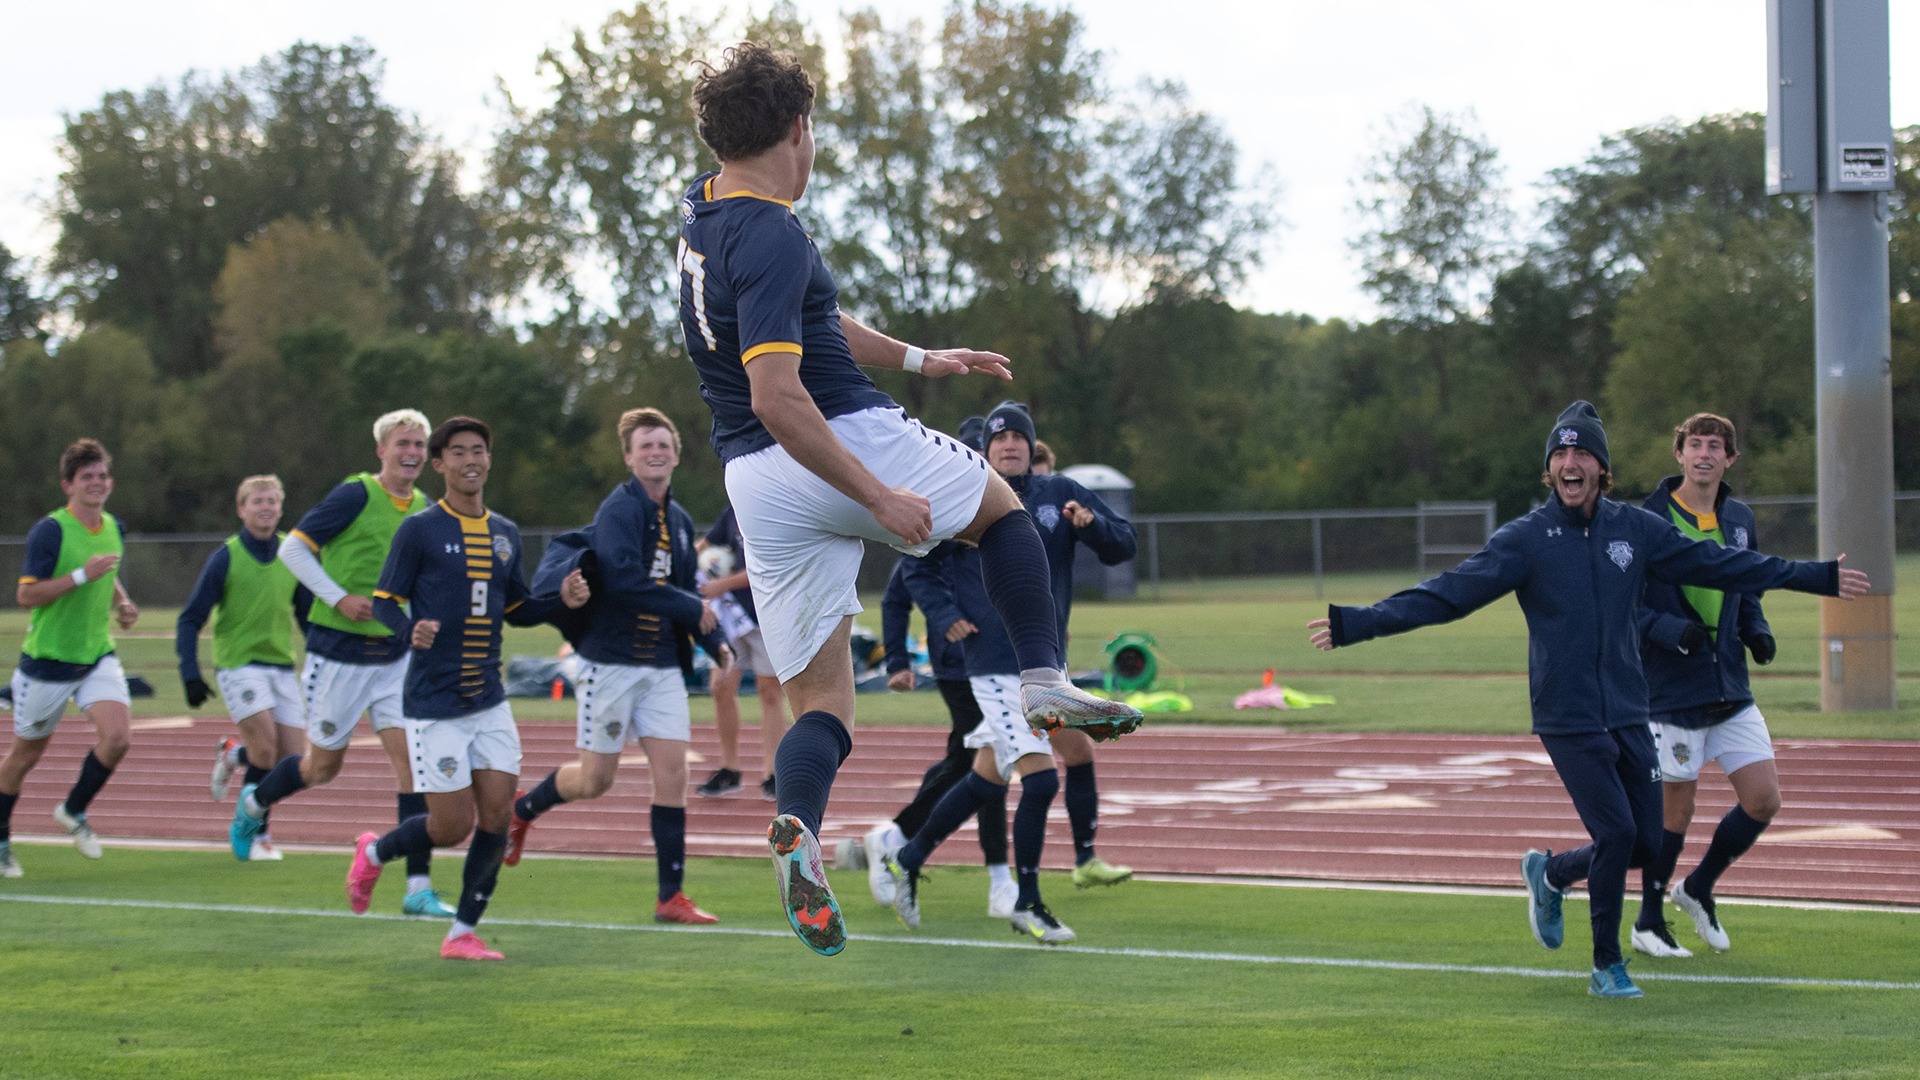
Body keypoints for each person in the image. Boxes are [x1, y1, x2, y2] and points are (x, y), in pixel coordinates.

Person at [679, 42, 1143, 955]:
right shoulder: (772, 230)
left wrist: (923, 359)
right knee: (1004, 511)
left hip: (754, 482)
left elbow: (811, 318)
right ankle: (1044, 680)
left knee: (824, 704)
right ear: (799, 129)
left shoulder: (704, 209)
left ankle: (801, 827)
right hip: (832, 436)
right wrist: (879, 497)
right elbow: (779, 393)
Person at [1307, 400, 1869, 999]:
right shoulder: (1526, 539)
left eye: (1582, 453)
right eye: (1560, 453)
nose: (1570, 463)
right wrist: (1358, 623)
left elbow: (1722, 563)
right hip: (1568, 715)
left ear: (1601, 467)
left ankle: (1551, 873)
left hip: (1629, 708)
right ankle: (1607, 965)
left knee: (1646, 844)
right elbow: (1447, 595)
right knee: (1619, 833)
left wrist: (1815, 577)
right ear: (1550, 469)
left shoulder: (1636, 529)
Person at [881, 402, 1139, 945]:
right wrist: (945, 615)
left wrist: (1093, 526)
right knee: (1040, 778)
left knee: (990, 775)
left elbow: (1124, 545)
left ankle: (907, 857)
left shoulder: (1059, 493)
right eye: (999, 438)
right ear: (986, 448)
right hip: (993, 663)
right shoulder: (966, 495)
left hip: (1046, 660)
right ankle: (1028, 902)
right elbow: (913, 567)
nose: (1009, 444)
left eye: (1019, 436)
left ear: (1031, 445)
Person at [346, 416, 590, 960]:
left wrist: (562, 602)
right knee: (450, 826)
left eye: (478, 450)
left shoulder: (505, 533)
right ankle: (375, 852)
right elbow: (384, 602)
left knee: (499, 817)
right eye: (457, 452)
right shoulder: (420, 530)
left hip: (489, 699)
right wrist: (409, 630)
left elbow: (518, 607)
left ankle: (461, 932)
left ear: (489, 459)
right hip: (434, 703)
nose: (470, 460)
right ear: (439, 464)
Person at [500, 408, 731, 926]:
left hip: (662, 668)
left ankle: (670, 896)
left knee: (673, 774)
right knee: (594, 780)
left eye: (663, 444)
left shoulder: (680, 520)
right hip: (611, 664)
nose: (655, 452)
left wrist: (716, 644)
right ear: (629, 457)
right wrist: (692, 608)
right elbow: (626, 583)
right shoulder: (619, 511)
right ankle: (522, 809)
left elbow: (687, 594)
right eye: (645, 446)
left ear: (676, 454)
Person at [230, 410, 454, 916]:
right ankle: (253, 804)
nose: (412, 453)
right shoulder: (355, 495)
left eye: (419, 444)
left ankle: (417, 888)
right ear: (381, 450)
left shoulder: (425, 508)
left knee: (415, 768)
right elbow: (293, 550)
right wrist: (336, 598)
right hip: (338, 657)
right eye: (403, 443)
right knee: (321, 767)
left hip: (395, 659)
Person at [1630, 413, 1784, 959]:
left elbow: (1749, 585)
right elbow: (1627, 607)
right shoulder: (1647, 519)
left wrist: (1757, 630)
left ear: (1729, 459)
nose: (1704, 454)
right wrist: (1673, 632)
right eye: (1694, 444)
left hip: (1730, 686)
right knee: (1676, 813)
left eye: (1715, 446)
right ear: (1679, 454)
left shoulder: (1739, 518)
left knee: (1763, 800)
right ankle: (1648, 922)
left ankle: (1697, 887)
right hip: (1672, 691)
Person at [1, 439, 139, 877]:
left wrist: (122, 602)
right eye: (87, 477)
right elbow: (26, 595)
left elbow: (107, 573)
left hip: (96, 655)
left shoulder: (113, 526)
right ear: (68, 485)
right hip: (48, 663)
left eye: (102, 476)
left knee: (118, 738)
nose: (97, 483)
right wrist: (82, 575)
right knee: (25, 757)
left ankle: (73, 810)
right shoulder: (51, 531)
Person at [176, 475, 313, 861]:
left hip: (281, 665)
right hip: (238, 664)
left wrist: (326, 660)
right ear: (242, 509)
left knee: (296, 763)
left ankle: (235, 755)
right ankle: (255, 834)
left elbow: (307, 618)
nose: (266, 507)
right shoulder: (226, 556)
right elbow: (191, 618)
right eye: (257, 501)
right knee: (266, 751)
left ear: (281, 508)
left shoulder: (292, 553)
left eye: (272, 501)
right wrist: (190, 671)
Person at [692, 501, 789, 800]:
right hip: (732, 617)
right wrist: (681, 560)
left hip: (767, 613)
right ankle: (729, 768)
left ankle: (774, 773)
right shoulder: (735, 506)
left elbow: (765, 567)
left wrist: (722, 584)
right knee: (721, 686)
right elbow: (707, 543)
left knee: (769, 691)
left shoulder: (778, 508)